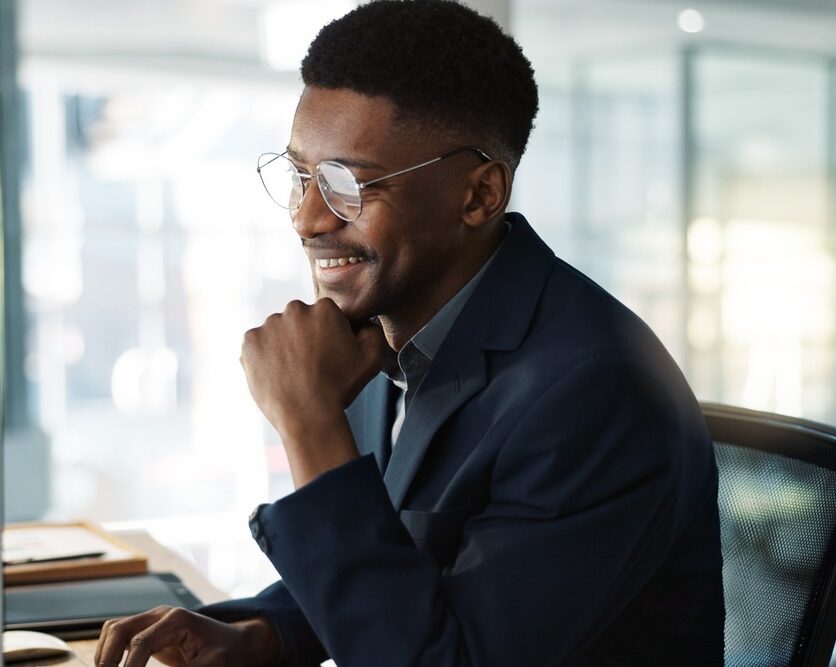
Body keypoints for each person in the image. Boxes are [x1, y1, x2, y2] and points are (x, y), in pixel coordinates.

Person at [94, 1, 725, 666]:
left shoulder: (596, 391)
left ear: (480, 195)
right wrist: (267, 633)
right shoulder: (386, 326)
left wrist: (310, 425)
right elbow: (403, 563)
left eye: (347, 183)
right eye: (301, 175)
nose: (308, 218)